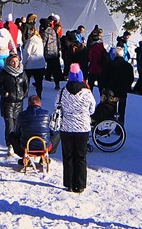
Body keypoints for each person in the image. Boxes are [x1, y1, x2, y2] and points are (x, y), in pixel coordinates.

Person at [55, 64, 97, 193]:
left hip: (66, 128)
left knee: (68, 156)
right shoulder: (87, 93)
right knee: (80, 156)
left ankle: (69, 183)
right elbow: (92, 109)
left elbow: (57, 106)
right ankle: (80, 184)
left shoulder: (62, 91)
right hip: (82, 128)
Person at [0, 53, 30, 151]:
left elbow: (26, 86)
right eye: (13, 62)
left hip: (19, 103)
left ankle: (17, 144)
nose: (15, 64)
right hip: (7, 104)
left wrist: (23, 95)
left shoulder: (22, 73)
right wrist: (4, 93)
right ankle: (9, 144)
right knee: (10, 125)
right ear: (9, 62)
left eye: (17, 61)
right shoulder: (4, 73)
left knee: (17, 125)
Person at [14, 95, 55, 161]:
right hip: (44, 146)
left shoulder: (22, 115)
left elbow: (17, 132)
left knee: (12, 135)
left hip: (27, 146)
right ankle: (46, 154)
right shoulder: (47, 114)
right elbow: (53, 131)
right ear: (40, 103)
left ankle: (23, 156)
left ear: (28, 104)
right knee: (56, 134)